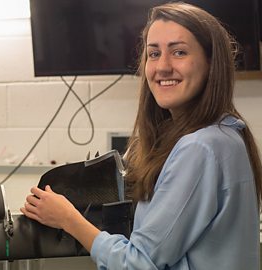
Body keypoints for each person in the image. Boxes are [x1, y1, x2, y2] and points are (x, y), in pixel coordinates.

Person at [20, 2, 262, 269]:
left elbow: (138, 262)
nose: (163, 66)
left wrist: (69, 219)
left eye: (179, 52)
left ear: (211, 63)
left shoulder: (200, 147)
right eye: (154, 53)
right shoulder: (230, 133)